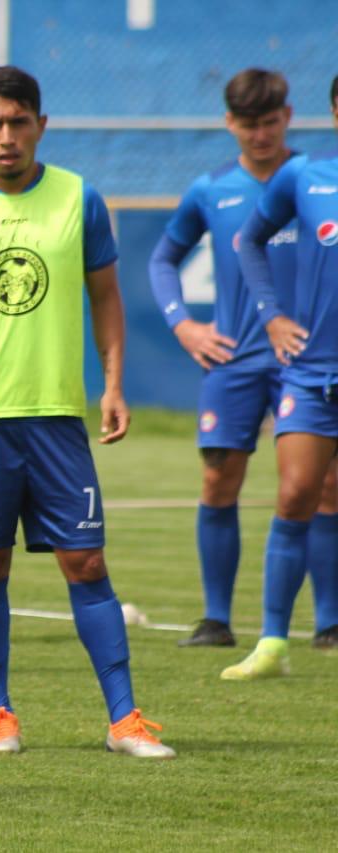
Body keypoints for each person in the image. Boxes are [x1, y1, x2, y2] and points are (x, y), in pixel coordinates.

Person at [0, 66, 175, 758]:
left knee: (86, 562)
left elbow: (106, 298)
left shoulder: (79, 199)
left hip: (56, 418)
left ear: (41, 126)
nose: (7, 136)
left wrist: (112, 385)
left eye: (18, 122)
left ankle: (124, 720)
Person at [148, 69, 338, 649]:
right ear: (230, 122)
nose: (260, 135)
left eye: (270, 122)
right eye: (249, 124)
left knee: (323, 485)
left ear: (289, 116)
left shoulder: (311, 179)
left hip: (303, 358)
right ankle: (216, 619)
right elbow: (162, 260)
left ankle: (328, 621)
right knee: (218, 477)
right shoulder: (211, 190)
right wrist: (184, 325)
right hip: (235, 359)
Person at [224, 74, 338, 678]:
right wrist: (271, 315)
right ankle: (272, 642)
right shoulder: (305, 177)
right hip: (313, 373)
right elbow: (249, 240)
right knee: (296, 493)